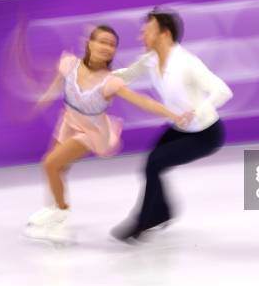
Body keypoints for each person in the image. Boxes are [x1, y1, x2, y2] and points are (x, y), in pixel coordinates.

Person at [25, 24, 192, 242]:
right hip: (68, 121)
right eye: (102, 41)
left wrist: (173, 114)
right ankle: (55, 211)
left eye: (112, 45)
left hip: (93, 132)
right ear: (89, 43)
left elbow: (142, 101)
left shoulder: (110, 82)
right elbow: (54, 87)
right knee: (59, 169)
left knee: (50, 163)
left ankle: (61, 212)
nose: (107, 47)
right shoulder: (69, 65)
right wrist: (39, 101)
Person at [111, 8, 233, 242]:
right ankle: (163, 212)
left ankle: (143, 220)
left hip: (205, 134)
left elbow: (222, 90)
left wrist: (198, 110)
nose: (141, 37)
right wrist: (97, 75)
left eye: (146, 31)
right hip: (179, 128)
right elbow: (127, 75)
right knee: (152, 165)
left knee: (154, 163)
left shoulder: (187, 62)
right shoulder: (151, 59)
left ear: (164, 34)